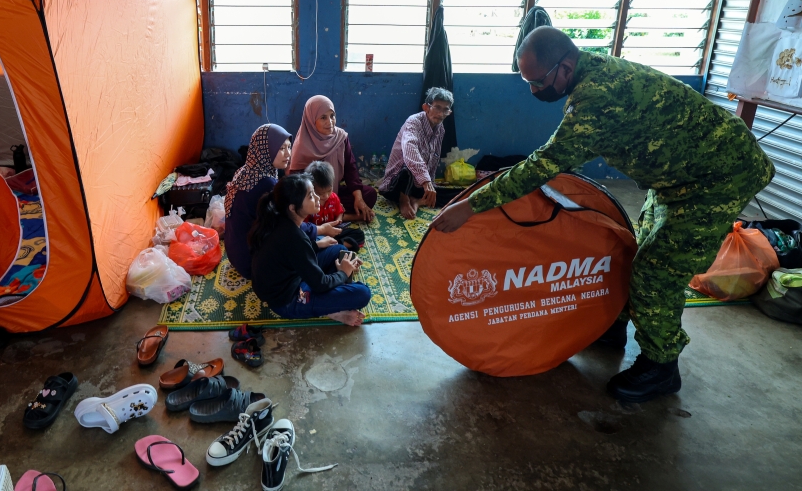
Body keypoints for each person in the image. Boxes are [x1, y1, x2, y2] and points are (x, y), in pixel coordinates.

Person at [432, 26, 774, 403]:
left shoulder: (597, 97)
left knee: (656, 272)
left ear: (565, 67)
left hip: (718, 175)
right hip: (678, 176)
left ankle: (661, 366)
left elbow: (542, 166)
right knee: (631, 250)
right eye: (528, 82)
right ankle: (612, 325)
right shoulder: (588, 72)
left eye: (538, 82)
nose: (533, 91)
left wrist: (471, 204)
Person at [250, 173, 370, 326]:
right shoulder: (293, 236)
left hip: (293, 276)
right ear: (293, 207)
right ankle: (332, 311)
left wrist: (316, 245)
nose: (318, 198)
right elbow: (320, 283)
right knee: (362, 293)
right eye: (311, 196)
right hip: (287, 300)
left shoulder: (282, 219)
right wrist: (343, 273)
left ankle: (330, 301)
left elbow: (291, 255)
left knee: (337, 249)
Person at [288, 95, 377, 223]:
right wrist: (315, 198)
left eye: (332, 116)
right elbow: (296, 184)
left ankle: (329, 214)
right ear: (311, 120)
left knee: (370, 194)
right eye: (323, 117)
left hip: (332, 193)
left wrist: (359, 199)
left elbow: (350, 168)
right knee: (296, 207)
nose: (330, 122)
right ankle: (343, 216)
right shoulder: (302, 145)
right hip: (312, 197)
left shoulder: (340, 137)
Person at [379, 87, 460, 220]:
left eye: (445, 110)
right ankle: (404, 199)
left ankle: (418, 201)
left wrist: (430, 185)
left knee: (458, 196)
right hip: (397, 184)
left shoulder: (440, 128)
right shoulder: (413, 122)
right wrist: (426, 182)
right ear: (426, 107)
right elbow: (410, 150)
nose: (441, 114)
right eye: (437, 108)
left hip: (419, 184)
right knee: (408, 167)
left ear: (449, 112)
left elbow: (434, 158)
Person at [224, 124, 292, 280]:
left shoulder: (245, 171)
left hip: (236, 255)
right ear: (265, 150)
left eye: (289, 147)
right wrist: (317, 230)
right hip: (252, 263)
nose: (288, 153)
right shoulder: (266, 184)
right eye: (281, 148)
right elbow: (284, 223)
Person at [306, 160, 365, 253]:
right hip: (318, 235)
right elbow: (305, 228)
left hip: (333, 232)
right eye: (320, 193)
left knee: (359, 234)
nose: (326, 196)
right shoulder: (308, 203)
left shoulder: (333, 197)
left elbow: (340, 213)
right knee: (306, 242)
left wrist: (338, 221)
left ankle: (336, 244)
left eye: (329, 190)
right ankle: (337, 245)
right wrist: (322, 230)